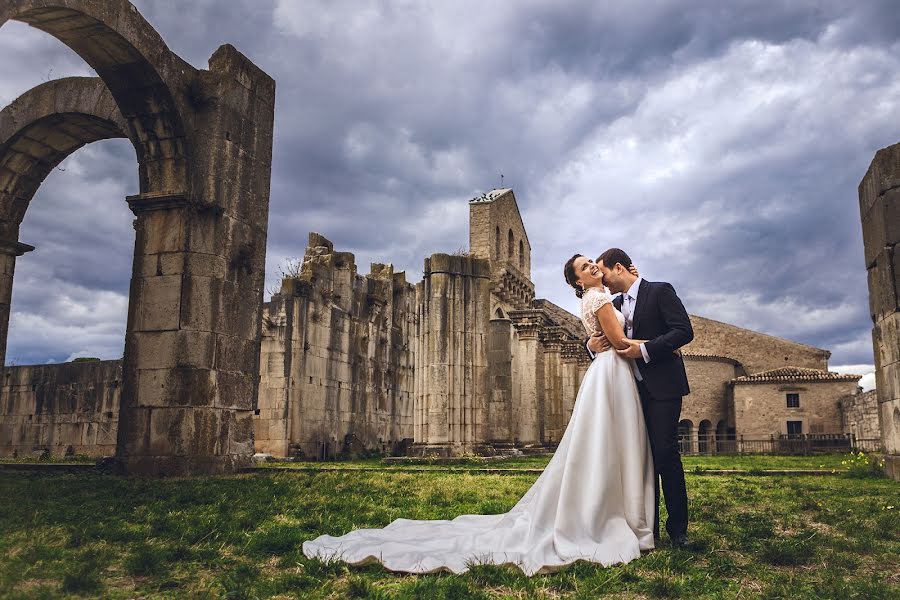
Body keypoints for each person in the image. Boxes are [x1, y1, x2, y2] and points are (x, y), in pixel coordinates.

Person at [301, 254, 656, 575]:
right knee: (611, 444)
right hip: (613, 372)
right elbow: (620, 341)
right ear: (579, 282)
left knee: (602, 446)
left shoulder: (601, 297)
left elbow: (608, 332)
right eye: (584, 267)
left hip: (607, 374)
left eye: (592, 262)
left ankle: (603, 508)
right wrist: (654, 346)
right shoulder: (597, 298)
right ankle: (607, 515)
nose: (592, 266)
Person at [587, 248, 693, 547]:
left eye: (603, 272)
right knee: (639, 459)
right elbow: (603, 337)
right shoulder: (614, 303)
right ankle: (647, 528)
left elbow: (683, 331)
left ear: (618, 268)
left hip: (663, 388)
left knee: (665, 454)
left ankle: (678, 530)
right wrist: (590, 345)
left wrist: (644, 349)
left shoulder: (660, 291)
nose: (602, 280)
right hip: (630, 391)